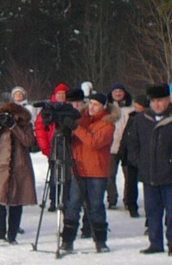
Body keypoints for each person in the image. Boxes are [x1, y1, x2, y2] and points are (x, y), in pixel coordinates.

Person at [61, 92, 116, 253]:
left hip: (97, 171)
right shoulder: (81, 118)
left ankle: (100, 241)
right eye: (90, 103)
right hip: (78, 168)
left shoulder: (108, 124)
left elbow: (94, 142)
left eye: (96, 105)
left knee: (96, 206)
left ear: (103, 107)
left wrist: (76, 128)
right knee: (72, 205)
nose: (91, 107)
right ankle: (67, 240)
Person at [123, 83, 172, 255]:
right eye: (153, 101)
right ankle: (155, 242)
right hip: (149, 174)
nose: (157, 104)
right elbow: (132, 143)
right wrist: (139, 161)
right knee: (152, 211)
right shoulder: (141, 120)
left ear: (168, 100)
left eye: (160, 100)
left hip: (169, 176)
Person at [0, 100, 38, 245]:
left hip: (20, 167)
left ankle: (12, 235)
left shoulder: (26, 125)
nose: (10, 117)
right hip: (0, 167)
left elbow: (28, 142)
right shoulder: (1, 127)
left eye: (12, 114)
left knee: (16, 202)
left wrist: (14, 127)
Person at [107, 83, 137, 215]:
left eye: (120, 91)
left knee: (129, 176)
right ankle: (112, 199)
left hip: (128, 147)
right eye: (115, 91)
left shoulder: (132, 107)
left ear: (124, 93)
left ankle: (128, 200)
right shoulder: (107, 107)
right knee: (110, 175)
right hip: (111, 146)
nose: (118, 94)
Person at [34, 83, 70, 158]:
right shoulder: (47, 109)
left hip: (69, 149)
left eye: (64, 93)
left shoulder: (71, 108)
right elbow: (40, 129)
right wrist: (45, 148)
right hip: (52, 147)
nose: (61, 96)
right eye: (59, 93)